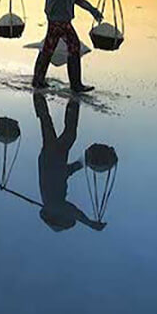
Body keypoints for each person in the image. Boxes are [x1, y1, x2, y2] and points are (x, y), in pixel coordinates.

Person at [33, 92, 105, 232]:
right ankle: (66, 101)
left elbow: (73, 212)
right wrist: (83, 162)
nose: (67, 215)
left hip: (51, 159)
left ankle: (61, 100)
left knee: (52, 127)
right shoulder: (54, 200)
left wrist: (90, 223)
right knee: (56, 128)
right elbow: (65, 174)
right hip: (55, 160)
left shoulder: (53, 205)